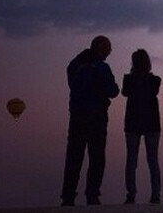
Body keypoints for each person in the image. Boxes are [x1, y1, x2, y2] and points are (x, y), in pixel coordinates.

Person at [61, 35, 119, 206]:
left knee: (74, 156)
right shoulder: (101, 67)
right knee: (96, 157)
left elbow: (73, 85)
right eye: (108, 48)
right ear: (100, 48)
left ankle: (68, 196)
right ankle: (92, 195)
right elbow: (113, 91)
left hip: (77, 115)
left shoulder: (74, 65)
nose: (110, 52)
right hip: (96, 116)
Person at [122, 49, 161, 204]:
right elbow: (153, 92)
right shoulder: (155, 80)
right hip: (152, 123)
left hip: (132, 122)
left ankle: (131, 194)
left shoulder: (128, 79)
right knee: (153, 160)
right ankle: (156, 194)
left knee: (132, 160)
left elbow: (125, 93)